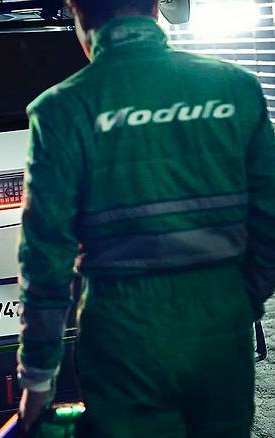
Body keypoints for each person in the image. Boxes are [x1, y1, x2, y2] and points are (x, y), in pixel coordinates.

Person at [15, 0, 275, 436]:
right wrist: (241, 298)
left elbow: (45, 256)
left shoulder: (60, 109)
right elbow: (269, 214)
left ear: (79, 15)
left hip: (122, 327)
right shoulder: (235, 87)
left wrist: (37, 378)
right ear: (156, 8)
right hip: (220, 316)